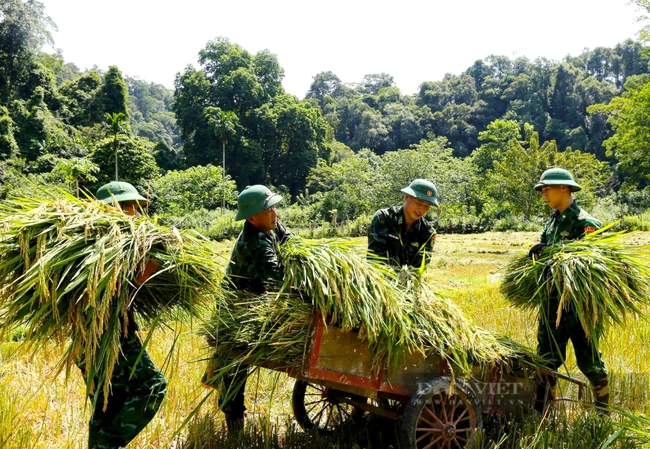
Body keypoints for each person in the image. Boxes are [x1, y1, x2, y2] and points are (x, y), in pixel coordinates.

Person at [80, 181, 167, 449]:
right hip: (109, 334)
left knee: (107, 403)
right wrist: (150, 266)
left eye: (137, 207)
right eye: (130, 206)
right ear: (111, 209)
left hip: (87, 340)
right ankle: (107, 445)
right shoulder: (101, 243)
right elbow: (118, 287)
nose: (137, 213)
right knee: (151, 386)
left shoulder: (99, 239)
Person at [207, 184, 293, 431]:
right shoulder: (254, 244)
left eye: (274, 207)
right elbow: (278, 278)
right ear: (252, 218)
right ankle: (234, 424)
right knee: (235, 367)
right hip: (236, 309)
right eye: (269, 210)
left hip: (254, 300)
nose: (275, 213)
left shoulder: (272, 226)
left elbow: (291, 241)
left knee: (231, 365)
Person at [529, 168, 609, 414]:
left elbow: (594, 266)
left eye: (547, 189)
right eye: (542, 190)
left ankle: (603, 413)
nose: (544, 195)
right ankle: (542, 412)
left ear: (564, 188)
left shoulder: (586, 223)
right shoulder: (552, 222)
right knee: (546, 360)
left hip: (579, 306)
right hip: (552, 303)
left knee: (590, 363)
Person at [367, 178, 438, 267]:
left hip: (408, 279)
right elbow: (375, 259)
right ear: (407, 197)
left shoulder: (427, 233)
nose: (422, 210)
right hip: (379, 277)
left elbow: (420, 267)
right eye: (419, 203)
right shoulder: (384, 218)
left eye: (427, 206)